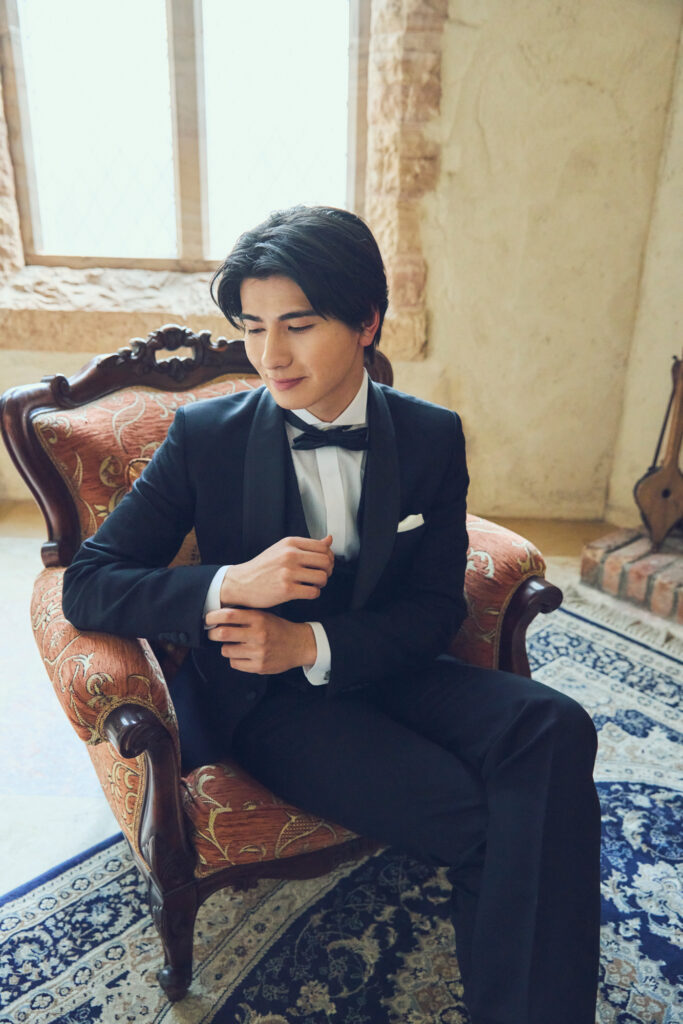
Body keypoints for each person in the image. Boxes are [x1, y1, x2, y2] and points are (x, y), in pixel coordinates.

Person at [62, 205, 601, 1024]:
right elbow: (88, 583)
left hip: (390, 664)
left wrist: (308, 641)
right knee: (494, 820)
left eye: (298, 325)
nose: (270, 356)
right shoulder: (205, 437)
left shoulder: (430, 437)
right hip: (270, 705)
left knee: (554, 725)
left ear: (365, 323)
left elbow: (432, 608)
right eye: (252, 328)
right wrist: (230, 583)